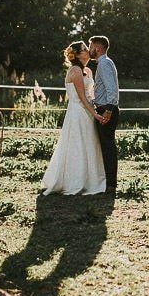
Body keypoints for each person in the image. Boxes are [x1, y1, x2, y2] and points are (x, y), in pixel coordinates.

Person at [40, 41, 107, 195]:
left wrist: (100, 107)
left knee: (89, 143)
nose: (88, 50)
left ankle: (90, 179)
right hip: (78, 112)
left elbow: (91, 95)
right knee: (77, 145)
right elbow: (81, 97)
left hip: (88, 110)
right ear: (77, 54)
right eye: (84, 49)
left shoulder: (87, 71)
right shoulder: (75, 71)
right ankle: (75, 181)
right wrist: (95, 114)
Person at [89, 35, 119, 192]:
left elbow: (111, 89)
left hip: (106, 109)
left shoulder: (104, 64)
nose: (89, 50)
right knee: (106, 146)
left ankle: (111, 184)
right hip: (104, 108)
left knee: (108, 147)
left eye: (91, 46)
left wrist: (108, 110)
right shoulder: (104, 63)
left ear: (98, 48)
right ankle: (107, 182)